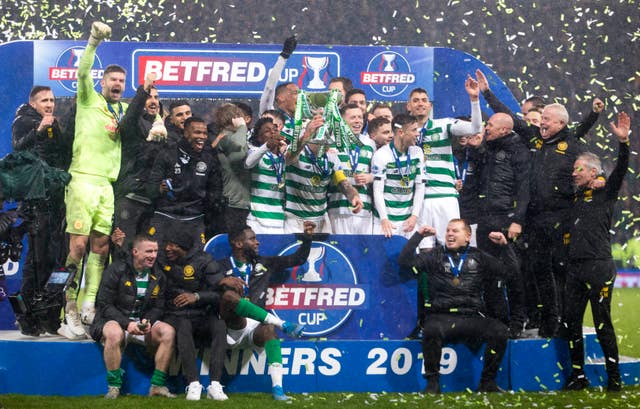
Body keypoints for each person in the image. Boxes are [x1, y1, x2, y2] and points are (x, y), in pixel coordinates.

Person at [62, 22, 129, 339]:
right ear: (103, 82)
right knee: (77, 247)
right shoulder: (89, 100)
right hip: (84, 179)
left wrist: (157, 123)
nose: (117, 84)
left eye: (121, 81)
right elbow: (82, 73)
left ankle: (89, 306)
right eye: (113, 79)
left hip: (107, 185)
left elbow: (152, 111)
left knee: (101, 247)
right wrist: (93, 43)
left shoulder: (124, 110)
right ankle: (68, 310)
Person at [398, 219, 517, 393]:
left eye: (455, 231)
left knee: (499, 330)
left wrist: (505, 246)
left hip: (471, 316)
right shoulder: (434, 255)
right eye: (447, 231)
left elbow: (510, 272)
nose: (450, 234)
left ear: (468, 236)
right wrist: (419, 236)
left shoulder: (479, 256)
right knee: (430, 330)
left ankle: (487, 382)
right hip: (441, 316)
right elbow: (404, 263)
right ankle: (432, 383)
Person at [562, 112, 631, 392]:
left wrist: (623, 143)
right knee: (572, 323)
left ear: (594, 172)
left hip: (599, 266)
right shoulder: (574, 195)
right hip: (575, 268)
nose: (574, 172)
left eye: (580, 168)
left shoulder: (606, 192)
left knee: (602, 323)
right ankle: (578, 377)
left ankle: (615, 379)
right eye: (574, 168)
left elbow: (620, 171)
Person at [212, 222, 313, 400]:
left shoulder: (264, 263)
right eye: (252, 239)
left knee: (269, 330)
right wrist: (222, 280)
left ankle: (278, 389)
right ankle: (283, 324)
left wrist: (307, 239)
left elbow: (296, 259)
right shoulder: (219, 266)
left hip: (254, 328)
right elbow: (209, 288)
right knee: (229, 296)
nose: (257, 242)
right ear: (238, 243)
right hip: (230, 325)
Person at [11, 85, 72, 335]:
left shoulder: (53, 123)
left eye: (52, 100)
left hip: (56, 200)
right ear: (34, 103)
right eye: (44, 100)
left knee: (56, 261)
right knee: (37, 263)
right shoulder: (24, 120)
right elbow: (18, 149)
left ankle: (49, 317)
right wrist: (38, 130)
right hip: (36, 202)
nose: (50, 104)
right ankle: (26, 319)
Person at [88, 234, 176, 399]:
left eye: (155, 251)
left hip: (140, 325)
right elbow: (104, 304)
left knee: (168, 332)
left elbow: (159, 306)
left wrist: (147, 320)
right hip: (113, 321)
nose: (153, 255)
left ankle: (157, 386)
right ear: (135, 252)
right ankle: (114, 387)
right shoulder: (116, 269)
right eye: (148, 251)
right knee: (114, 334)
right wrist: (127, 324)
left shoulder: (159, 275)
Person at [470, 113, 530, 337]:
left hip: (506, 218)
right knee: (487, 272)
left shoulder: (519, 151)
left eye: (491, 125)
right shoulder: (488, 147)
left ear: (505, 130)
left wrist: (517, 220)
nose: (486, 128)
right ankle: (497, 319)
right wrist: (476, 151)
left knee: (513, 272)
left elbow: (524, 189)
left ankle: (517, 321)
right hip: (486, 218)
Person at [406, 77, 482, 250]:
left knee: (452, 248)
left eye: (424, 100)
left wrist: (474, 99)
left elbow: (475, 128)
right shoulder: (403, 132)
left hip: (445, 196)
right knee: (424, 250)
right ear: (408, 106)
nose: (420, 103)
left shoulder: (444, 125)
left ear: (430, 106)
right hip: (419, 199)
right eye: (415, 100)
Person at [147, 116, 224, 249]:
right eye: (197, 132)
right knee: (157, 259)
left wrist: (203, 207)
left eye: (205, 133)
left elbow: (215, 190)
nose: (202, 137)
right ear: (185, 133)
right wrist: (160, 188)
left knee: (196, 262)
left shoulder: (209, 158)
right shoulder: (167, 154)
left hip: (195, 219)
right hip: (165, 215)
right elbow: (150, 188)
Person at [113, 73, 167, 260]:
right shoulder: (134, 124)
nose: (154, 101)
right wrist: (143, 91)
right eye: (149, 97)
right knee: (123, 252)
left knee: (147, 257)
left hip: (151, 202)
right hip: (130, 198)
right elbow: (129, 119)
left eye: (157, 98)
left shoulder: (161, 127)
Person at [283, 114, 363, 233]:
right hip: (295, 219)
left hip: (321, 220)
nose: (326, 145)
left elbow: (343, 183)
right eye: (322, 141)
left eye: (328, 141)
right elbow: (288, 158)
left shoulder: (332, 158)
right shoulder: (298, 153)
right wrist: (305, 136)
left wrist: (354, 196)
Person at [371, 113, 425, 238]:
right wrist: (384, 219)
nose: (417, 134)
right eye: (414, 130)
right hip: (385, 221)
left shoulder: (417, 153)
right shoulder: (381, 155)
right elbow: (378, 190)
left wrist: (414, 216)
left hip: (408, 220)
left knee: (410, 257)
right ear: (401, 132)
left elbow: (420, 187)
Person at [327, 103, 375, 234]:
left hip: (364, 208)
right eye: (353, 117)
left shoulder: (370, 143)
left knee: (363, 252)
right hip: (338, 208)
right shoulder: (330, 142)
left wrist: (370, 177)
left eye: (360, 117)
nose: (358, 121)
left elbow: (379, 172)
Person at [212, 103, 251, 231]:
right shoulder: (224, 138)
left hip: (240, 201)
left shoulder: (235, 136)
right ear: (235, 118)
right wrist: (242, 127)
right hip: (233, 202)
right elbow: (238, 146)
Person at [245, 117, 288, 234]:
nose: (273, 132)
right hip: (256, 220)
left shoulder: (283, 157)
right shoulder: (255, 151)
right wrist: (267, 146)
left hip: (279, 220)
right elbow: (248, 163)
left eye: (275, 129)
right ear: (259, 137)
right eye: (267, 131)